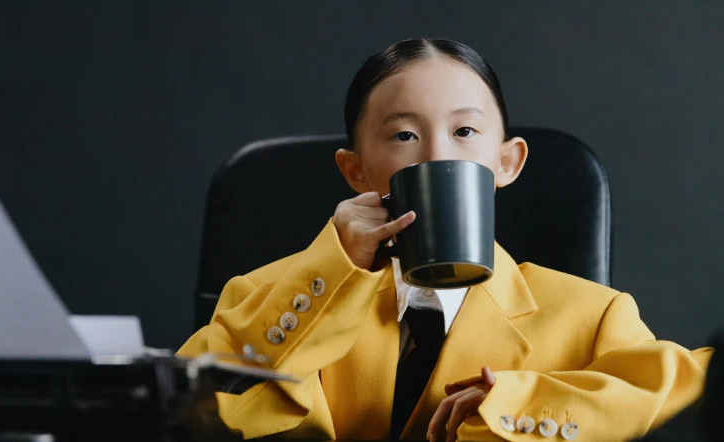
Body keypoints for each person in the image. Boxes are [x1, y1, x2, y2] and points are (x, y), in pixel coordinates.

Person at [178, 38, 712, 441]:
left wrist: (518, 405)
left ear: (506, 163)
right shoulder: (264, 296)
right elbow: (180, 410)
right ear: (356, 171)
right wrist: (330, 272)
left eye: (464, 132)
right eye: (404, 135)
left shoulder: (591, 316)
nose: (437, 156)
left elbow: (700, 390)